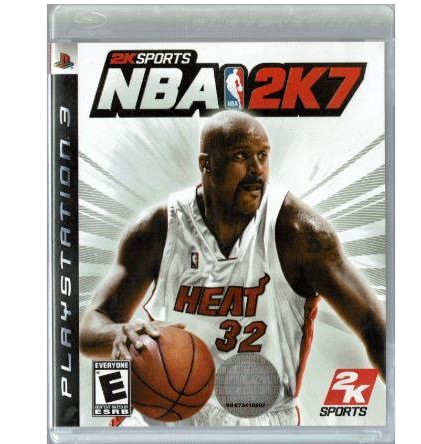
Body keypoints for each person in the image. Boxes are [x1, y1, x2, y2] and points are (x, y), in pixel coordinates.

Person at [79, 111, 385, 426]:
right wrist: (118, 335)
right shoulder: (158, 229)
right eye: (241, 156)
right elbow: (91, 327)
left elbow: (375, 326)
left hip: (258, 418)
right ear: (206, 164)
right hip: (163, 416)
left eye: (263, 156)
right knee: (121, 417)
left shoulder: (299, 232)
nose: (257, 170)